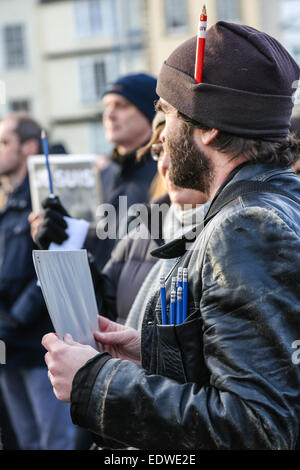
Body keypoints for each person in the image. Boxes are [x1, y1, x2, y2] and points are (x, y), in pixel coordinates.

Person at [42, 22, 300, 450]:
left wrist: (96, 381)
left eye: (168, 113)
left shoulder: (248, 226)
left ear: (208, 128)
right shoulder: (265, 207)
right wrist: (157, 351)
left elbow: (258, 427)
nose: (162, 131)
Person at [30, 73, 158, 272]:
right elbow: (97, 252)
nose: (109, 115)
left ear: (151, 113)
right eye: (107, 106)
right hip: (102, 298)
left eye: (122, 105)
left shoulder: (163, 176)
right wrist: (58, 237)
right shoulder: (104, 176)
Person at [0, 113, 75, 450]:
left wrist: (16, 317)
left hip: (36, 344)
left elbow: (52, 266)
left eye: (4, 143)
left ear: (28, 148)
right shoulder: (6, 203)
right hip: (7, 346)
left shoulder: (45, 202)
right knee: (25, 438)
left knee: (53, 439)